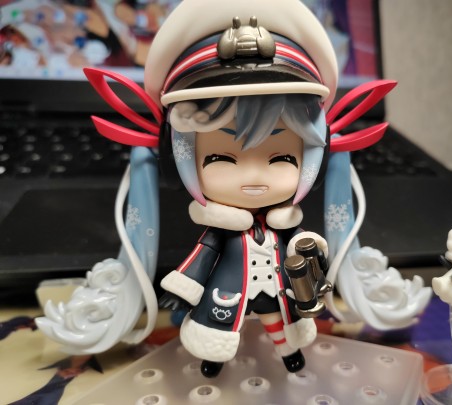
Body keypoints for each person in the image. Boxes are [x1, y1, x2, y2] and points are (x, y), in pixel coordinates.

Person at [37, 0, 431, 378]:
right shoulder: (219, 232)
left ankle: (291, 354)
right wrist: (184, 290)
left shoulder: (287, 227)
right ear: (180, 160)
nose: (254, 177)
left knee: (283, 323)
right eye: (221, 158)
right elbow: (202, 258)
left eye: (282, 158)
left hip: (278, 291)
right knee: (218, 331)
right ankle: (213, 362)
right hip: (225, 295)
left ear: (315, 160)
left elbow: (305, 256)